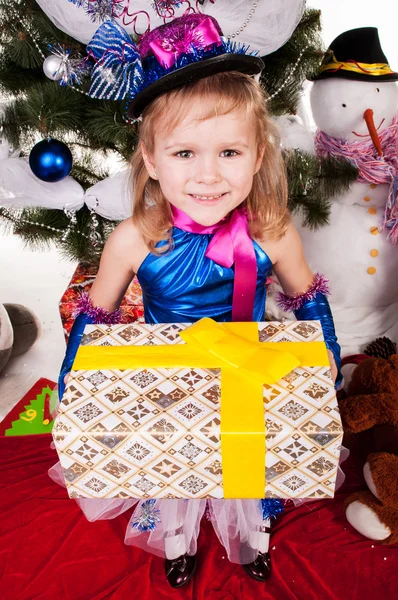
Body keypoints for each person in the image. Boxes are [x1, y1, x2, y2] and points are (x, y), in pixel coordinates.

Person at [53, 13, 342, 589]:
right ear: (152, 159)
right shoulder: (134, 238)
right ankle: (178, 545)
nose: (208, 176)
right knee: (176, 472)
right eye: (184, 153)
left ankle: (252, 543)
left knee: (247, 472)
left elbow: (308, 300)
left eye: (229, 153)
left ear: (259, 154)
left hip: (250, 378)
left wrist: (326, 362)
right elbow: (94, 319)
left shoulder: (271, 230)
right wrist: (71, 385)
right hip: (169, 386)